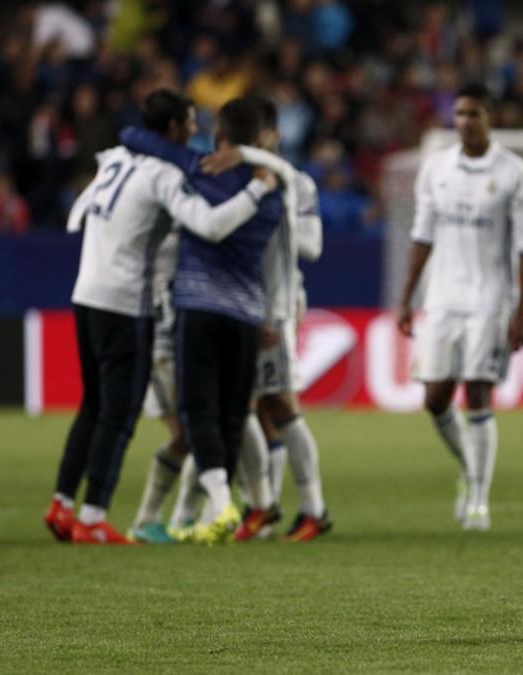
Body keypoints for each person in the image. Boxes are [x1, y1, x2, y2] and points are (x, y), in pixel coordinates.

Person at [43, 89, 274, 544]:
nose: (195, 132)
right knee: (119, 414)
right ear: (172, 129)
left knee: (91, 406)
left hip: (85, 291)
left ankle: (62, 503)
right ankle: (91, 519)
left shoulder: (113, 159)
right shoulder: (162, 175)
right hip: (126, 301)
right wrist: (256, 189)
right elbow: (209, 225)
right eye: (190, 123)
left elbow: (77, 215)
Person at [123, 99, 322, 543]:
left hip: (260, 310)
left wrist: (280, 310)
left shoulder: (287, 185)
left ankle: (297, 507)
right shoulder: (252, 180)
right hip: (240, 309)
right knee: (242, 412)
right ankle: (248, 507)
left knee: (257, 411)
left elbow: (306, 248)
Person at [396, 82, 523, 531]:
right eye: (458, 113)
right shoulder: (436, 169)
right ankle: (470, 467)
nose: (464, 121)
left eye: (473, 113)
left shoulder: (517, 174)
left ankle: (478, 498)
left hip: (490, 300)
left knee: (478, 391)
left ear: (489, 118)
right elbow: (422, 236)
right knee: (435, 398)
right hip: (442, 298)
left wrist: (520, 310)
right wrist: (407, 297)